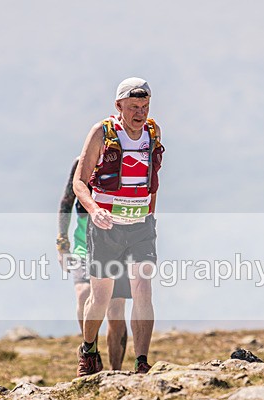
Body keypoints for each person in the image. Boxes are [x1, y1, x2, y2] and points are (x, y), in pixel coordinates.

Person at [72, 77, 165, 376]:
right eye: (134, 107)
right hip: (106, 226)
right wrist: (94, 210)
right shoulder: (102, 132)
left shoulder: (153, 132)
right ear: (119, 106)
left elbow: (153, 181)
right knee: (101, 297)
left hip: (140, 226)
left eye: (145, 107)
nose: (140, 113)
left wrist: (151, 216)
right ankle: (88, 351)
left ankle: (141, 362)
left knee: (143, 290)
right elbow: (79, 183)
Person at [57, 157, 131, 372]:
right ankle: (91, 354)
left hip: (118, 246)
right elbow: (66, 201)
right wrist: (62, 242)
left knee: (115, 308)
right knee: (83, 294)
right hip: (84, 246)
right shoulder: (81, 163)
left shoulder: (128, 160)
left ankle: (116, 370)